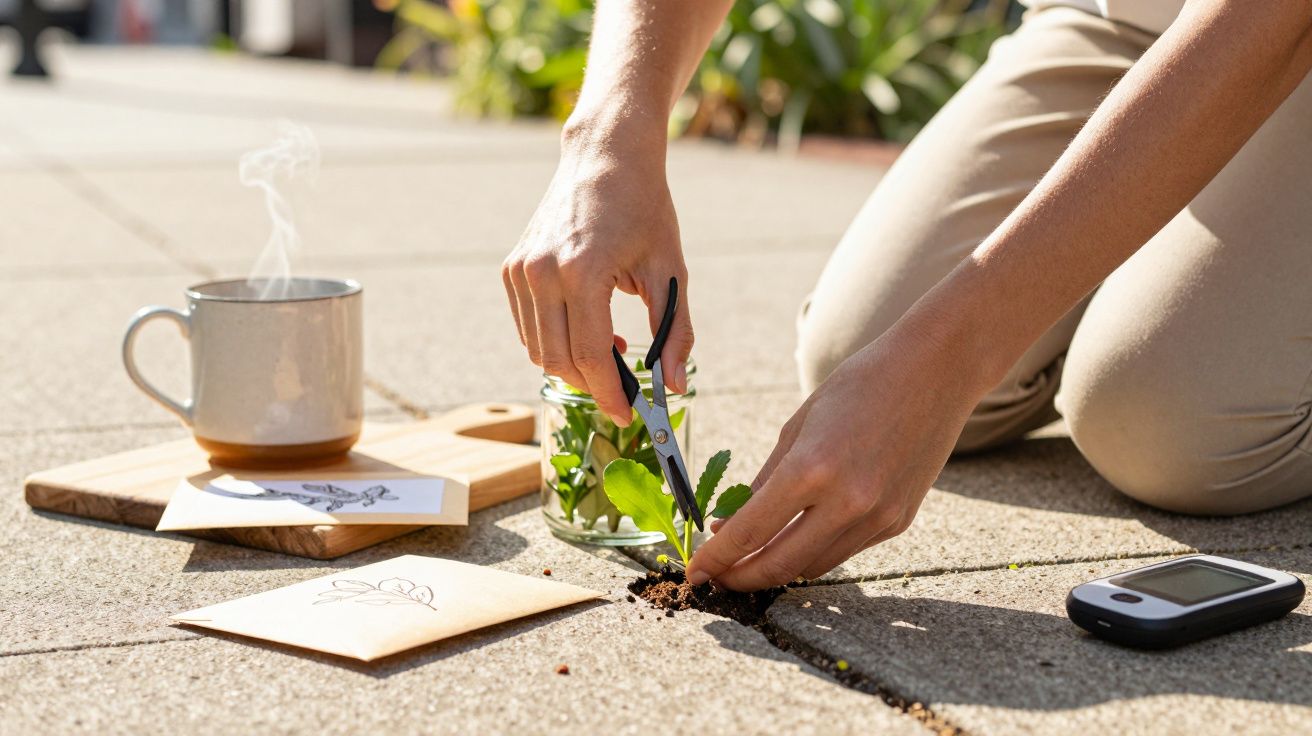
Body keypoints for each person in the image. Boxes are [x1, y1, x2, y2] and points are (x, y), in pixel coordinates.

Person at [501, 0, 1312, 591]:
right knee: (857, 349)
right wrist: (608, 136)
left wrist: (958, 351)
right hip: (1121, 16)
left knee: (1164, 422)